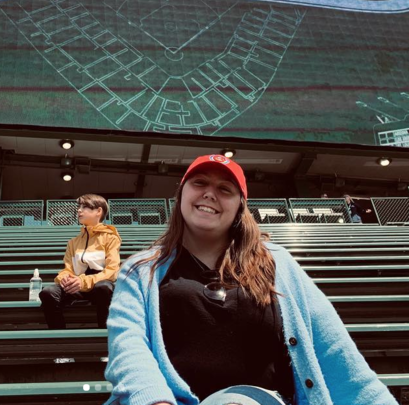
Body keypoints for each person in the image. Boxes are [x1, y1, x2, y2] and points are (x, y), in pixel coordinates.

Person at [104, 154, 397, 405]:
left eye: (225, 189)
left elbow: (335, 351)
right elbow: (128, 346)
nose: (210, 193)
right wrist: (156, 400)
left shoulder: (278, 262)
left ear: (240, 207)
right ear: (181, 193)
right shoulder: (140, 269)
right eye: (200, 183)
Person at [39, 194, 120, 329]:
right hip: (75, 286)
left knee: (104, 288)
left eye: (85, 207)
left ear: (98, 211)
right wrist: (64, 279)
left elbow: (112, 271)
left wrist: (83, 282)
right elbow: (68, 269)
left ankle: (105, 335)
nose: (79, 210)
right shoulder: (73, 242)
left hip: (98, 286)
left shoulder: (110, 237)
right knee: (48, 292)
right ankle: (60, 336)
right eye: (79, 207)